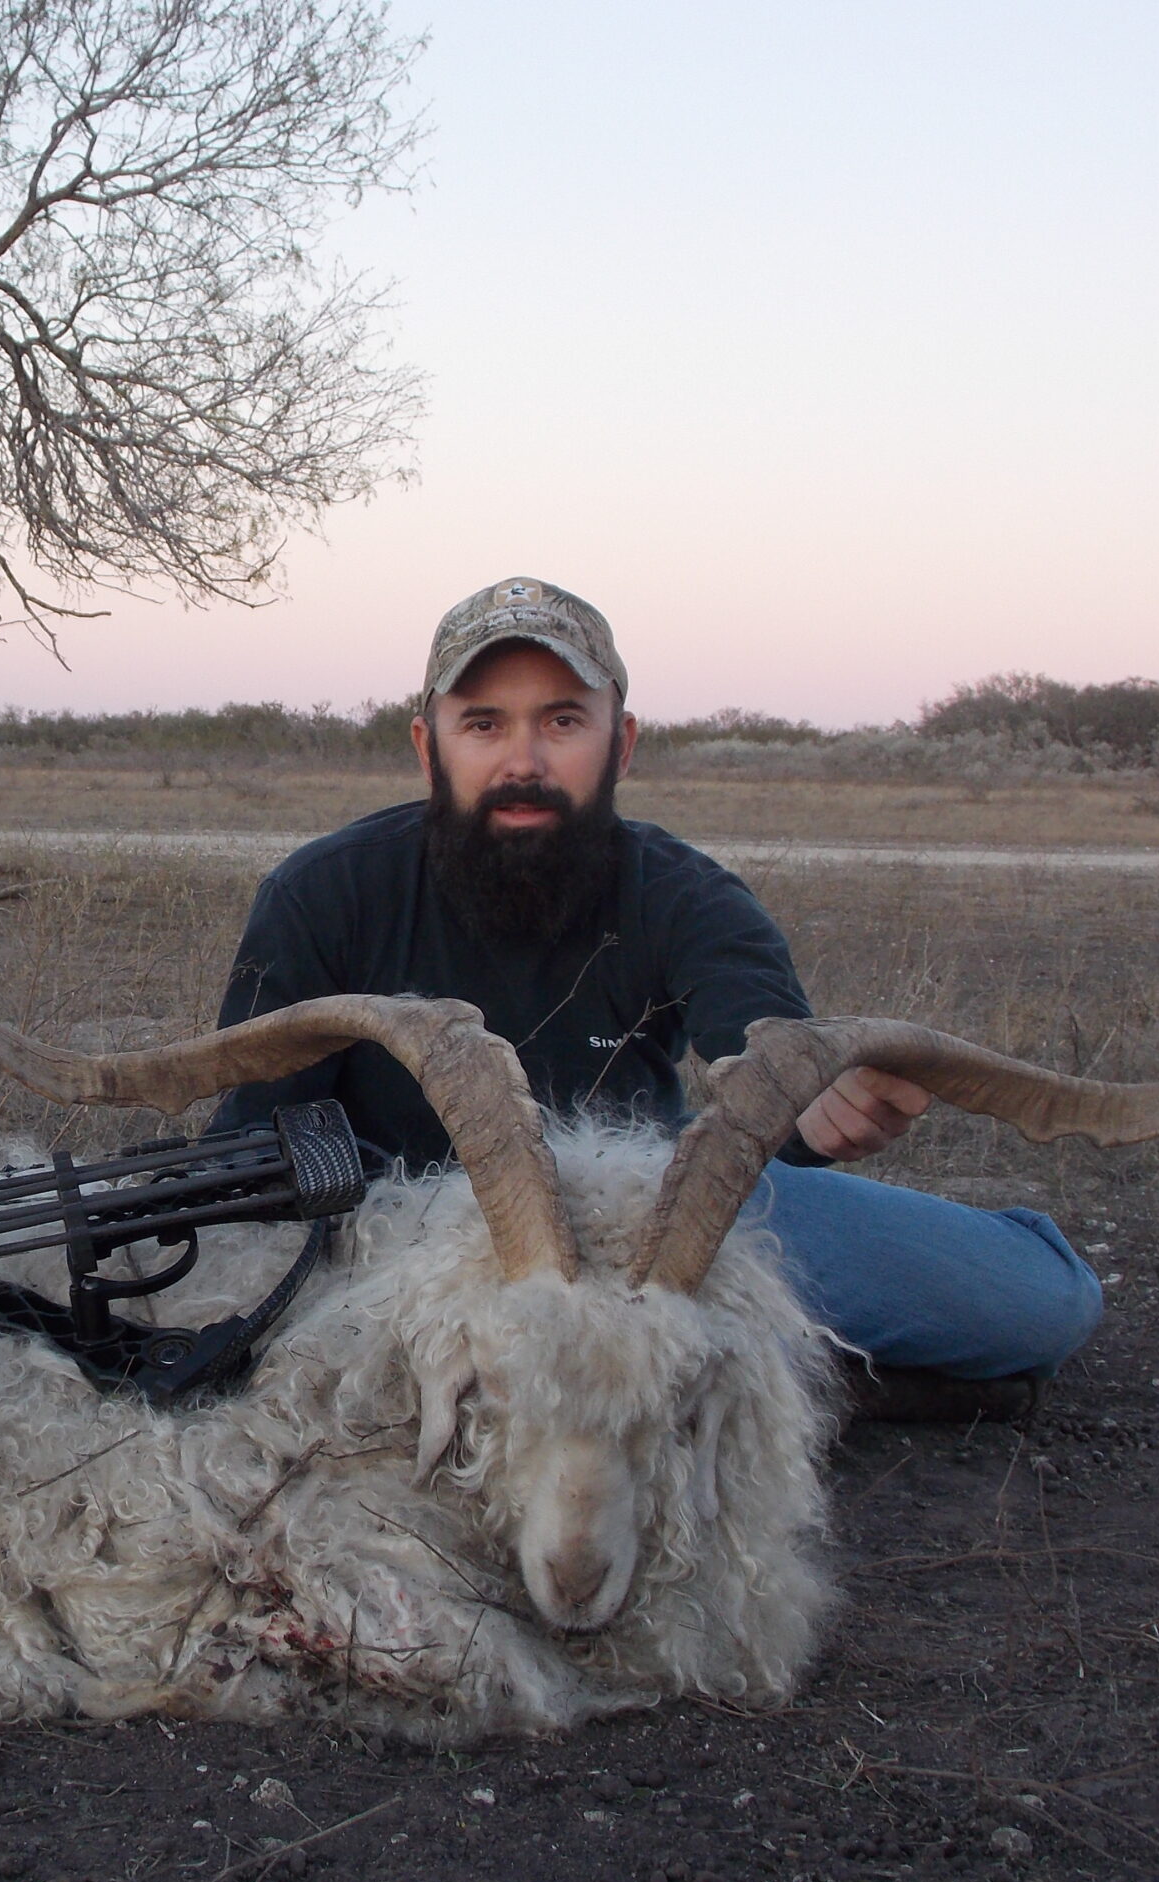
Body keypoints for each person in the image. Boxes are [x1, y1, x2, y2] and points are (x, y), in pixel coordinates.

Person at [207, 577, 1101, 1421]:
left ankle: (756, 1371)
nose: (524, 760)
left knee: (1041, 1304)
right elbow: (254, 1157)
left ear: (621, 741)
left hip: (652, 1235)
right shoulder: (319, 893)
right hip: (397, 1249)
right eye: (483, 724)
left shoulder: (686, 893)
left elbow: (765, 1048)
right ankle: (761, 1382)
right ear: (426, 745)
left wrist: (818, 1101)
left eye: (563, 720)